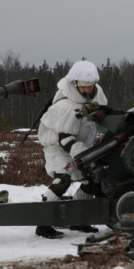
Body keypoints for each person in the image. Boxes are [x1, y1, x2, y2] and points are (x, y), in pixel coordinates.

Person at [35, 60, 107, 239]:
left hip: (82, 146)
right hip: (58, 147)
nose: (87, 91)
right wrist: (80, 153)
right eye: (83, 87)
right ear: (75, 84)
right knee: (63, 179)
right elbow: (63, 138)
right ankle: (43, 223)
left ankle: (78, 219)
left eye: (90, 87)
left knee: (91, 179)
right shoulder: (66, 105)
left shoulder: (99, 97)